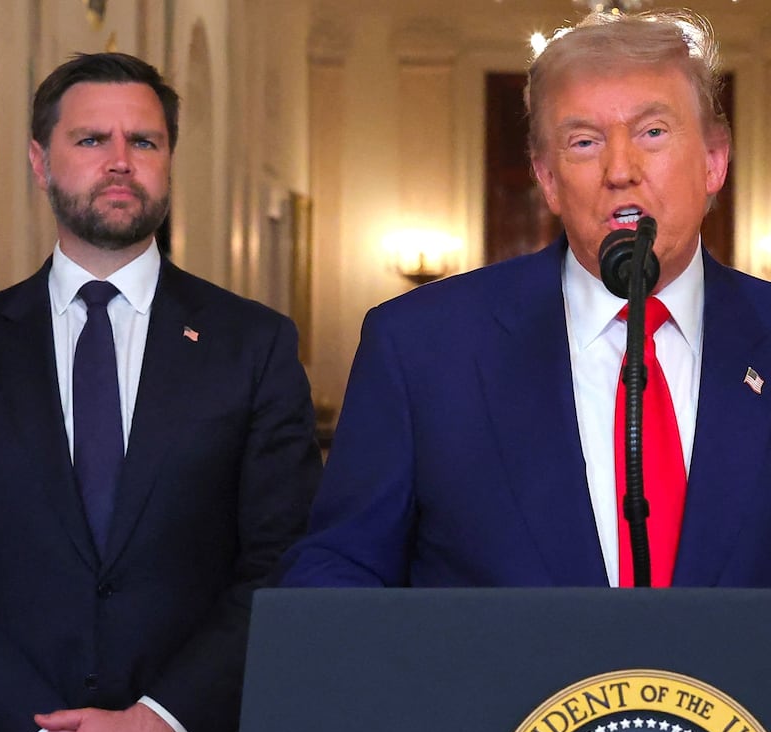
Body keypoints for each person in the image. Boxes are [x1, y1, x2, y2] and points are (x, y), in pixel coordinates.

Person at [278, 9, 771, 590]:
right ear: (548, 179)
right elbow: (339, 569)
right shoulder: (421, 349)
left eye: (652, 132)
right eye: (584, 142)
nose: (620, 169)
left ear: (714, 162)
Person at [0, 53, 322, 732]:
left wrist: (152, 725)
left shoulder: (252, 345)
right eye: (92, 140)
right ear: (40, 161)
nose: (121, 163)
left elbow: (283, 560)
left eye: (146, 142)